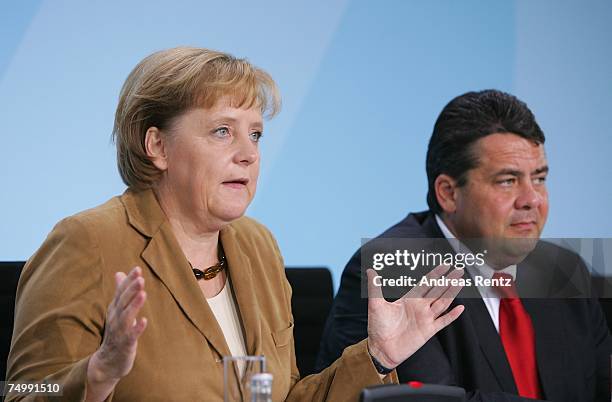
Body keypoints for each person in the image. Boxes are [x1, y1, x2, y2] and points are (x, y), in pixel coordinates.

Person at [5, 47, 464, 402]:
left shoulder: (257, 246)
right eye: (223, 130)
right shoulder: (87, 242)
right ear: (157, 147)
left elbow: (284, 396)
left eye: (256, 134)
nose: (248, 152)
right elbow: (24, 393)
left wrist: (379, 355)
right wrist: (97, 374)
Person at [316, 89, 612, 401]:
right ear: (448, 193)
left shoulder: (564, 270)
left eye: (539, 179)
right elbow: (432, 401)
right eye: (507, 181)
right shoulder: (394, 266)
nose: (532, 200)